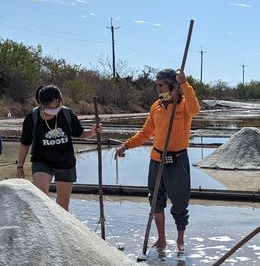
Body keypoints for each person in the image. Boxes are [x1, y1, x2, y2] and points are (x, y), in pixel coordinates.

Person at [114, 68, 200, 252]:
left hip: (177, 161)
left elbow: (196, 108)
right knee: (155, 201)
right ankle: (161, 238)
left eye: (161, 85)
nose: (158, 89)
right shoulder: (156, 107)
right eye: (157, 86)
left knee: (179, 202)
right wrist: (126, 145)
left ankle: (180, 240)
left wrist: (184, 83)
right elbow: (146, 133)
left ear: (173, 86)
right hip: (157, 159)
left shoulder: (184, 105)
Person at [16, 85, 100, 211]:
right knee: (42, 198)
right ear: (42, 104)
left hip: (65, 162)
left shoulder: (67, 114)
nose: (55, 109)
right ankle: (44, 226)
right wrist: (20, 166)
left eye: (57, 105)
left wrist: (92, 132)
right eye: (51, 107)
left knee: (63, 208)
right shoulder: (32, 118)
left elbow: (79, 133)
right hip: (42, 161)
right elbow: (25, 143)